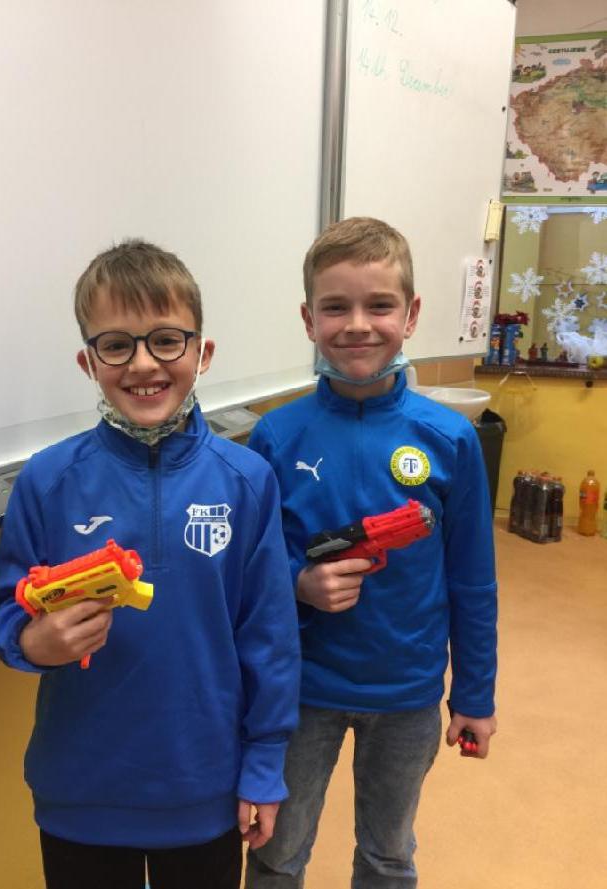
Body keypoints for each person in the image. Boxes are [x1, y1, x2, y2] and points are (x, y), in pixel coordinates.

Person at [0, 239, 301, 889]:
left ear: (202, 352)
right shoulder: (46, 480)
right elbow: (6, 614)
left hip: (206, 790)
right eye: (115, 345)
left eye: (166, 340)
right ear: (88, 361)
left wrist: (264, 765)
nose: (143, 363)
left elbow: (269, 637)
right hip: (81, 793)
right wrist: (34, 642)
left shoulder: (247, 481)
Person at [245, 217, 497, 888]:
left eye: (379, 305)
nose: (357, 325)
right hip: (299, 690)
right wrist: (299, 581)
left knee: (388, 856)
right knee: (275, 856)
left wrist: (473, 694)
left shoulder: (449, 439)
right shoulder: (274, 438)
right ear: (308, 319)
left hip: (407, 692)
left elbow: (473, 580)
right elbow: (250, 570)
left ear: (410, 315)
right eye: (335, 307)